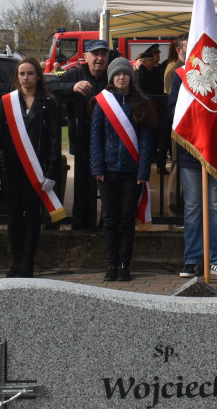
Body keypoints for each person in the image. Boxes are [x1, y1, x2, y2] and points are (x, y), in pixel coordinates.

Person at [167, 58, 217, 279]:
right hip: (192, 152)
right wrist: (199, 120)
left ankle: (215, 259)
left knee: (215, 207)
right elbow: (172, 111)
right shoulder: (181, 74)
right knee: (193, 207)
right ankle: (192, 260)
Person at [0, 56, 62, 278]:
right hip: (11, 168)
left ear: (38, 76)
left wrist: (51, 171)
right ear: (16, 77)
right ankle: (16, 260)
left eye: (30, 73)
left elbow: (54, 141)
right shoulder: (7, 101)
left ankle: (28, 262)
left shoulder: (48, 102)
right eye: (22, 74)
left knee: (32, 215)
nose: (26, 78)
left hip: (36, 169)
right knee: (14, 216)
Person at [91, 57, 158, 282]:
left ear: (131, 76)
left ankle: (124, 264)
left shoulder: (142, 101)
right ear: (112, 77)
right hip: (108, 171)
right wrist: (97, 167)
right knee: (109, 219)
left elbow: (147, 141)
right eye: (117, 74)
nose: (121, 77)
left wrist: (143, 172)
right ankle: (111, 263)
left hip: (132, 172)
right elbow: (96, 138)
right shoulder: (103, 102)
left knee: (127, 219)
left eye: (125, 73)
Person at [50, 38, 111, 231]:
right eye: (95, 54)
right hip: (83, 142)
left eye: (103, 54)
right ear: (85, 57)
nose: (99, 58)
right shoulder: (76, 73)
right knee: (83, 187)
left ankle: (106, 225)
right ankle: (81, 226)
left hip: (108, 143)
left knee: (107, 188)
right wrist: (71, 87)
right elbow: (49, 85)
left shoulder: (112, 75)